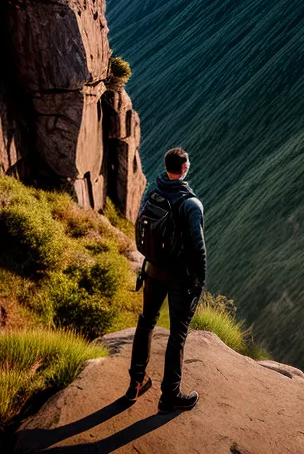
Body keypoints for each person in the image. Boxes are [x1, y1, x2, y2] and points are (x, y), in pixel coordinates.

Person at [125, 147, 207, 413]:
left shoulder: (153, 192)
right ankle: (169, 395)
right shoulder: (190, 204)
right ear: (184, 168)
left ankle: (135, 383)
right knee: (177, 335)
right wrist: (199, 281)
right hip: (178, 277)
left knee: (146, 322)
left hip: (152, 270)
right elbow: (198, 248)